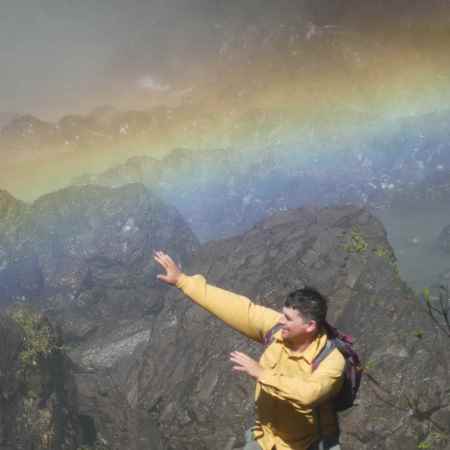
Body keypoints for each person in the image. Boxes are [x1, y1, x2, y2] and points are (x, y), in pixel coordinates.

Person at [153, 250, 345, 450]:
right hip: (266, 439)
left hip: (306, 446)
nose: (280, 320)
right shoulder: (277, 329)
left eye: (288, 318)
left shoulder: (331, 360)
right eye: (283, 314)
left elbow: (309, 395)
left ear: (310, 326)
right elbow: (239, 308)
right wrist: (182, 281)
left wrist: (262, 373)